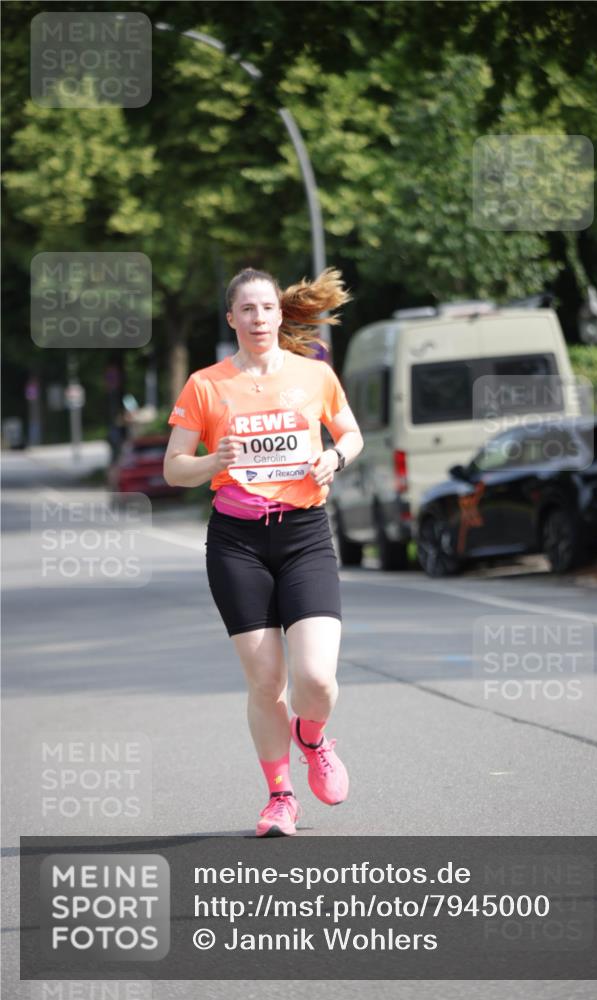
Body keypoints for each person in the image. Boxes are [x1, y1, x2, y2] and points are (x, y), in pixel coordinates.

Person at [164, 267, 363, 837]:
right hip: (237, 542)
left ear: (280, 314)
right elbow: (174, 469)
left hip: (303, 536)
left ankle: (313, 738)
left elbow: (351, 434)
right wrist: (213, 460)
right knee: (265, 681)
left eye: (266, 308)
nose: (258, 319)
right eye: (246, 310)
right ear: (232, 319)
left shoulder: (314, 374)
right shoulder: (205, 384)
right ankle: (280, 797)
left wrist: (335, 458)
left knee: (316, 680)